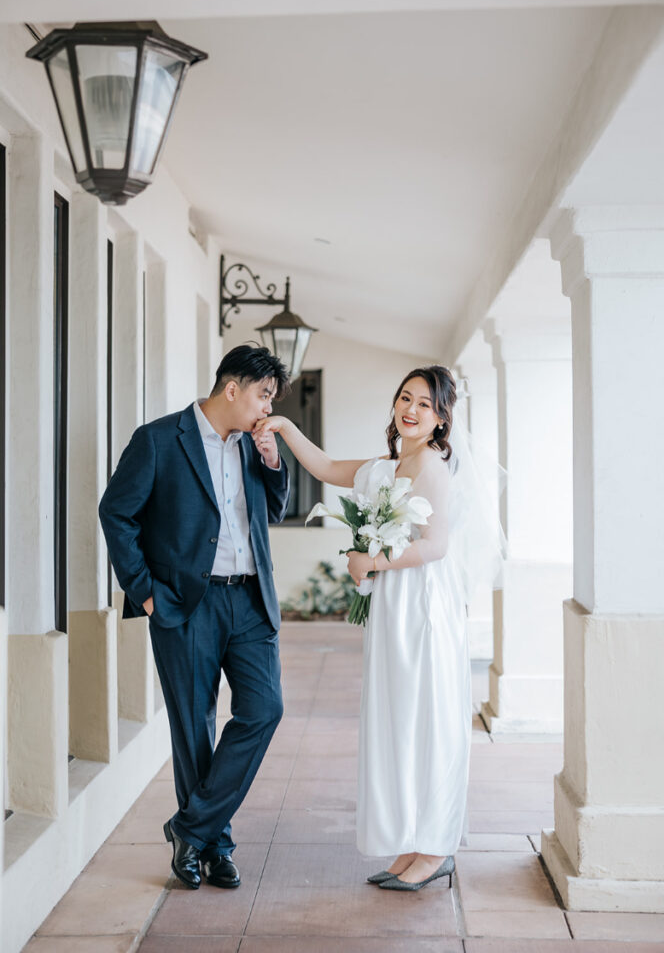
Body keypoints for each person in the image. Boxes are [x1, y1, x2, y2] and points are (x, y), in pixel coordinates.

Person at [253, 364, 470, 891]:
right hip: (393, 608)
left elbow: (435, 546)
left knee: (425, 718)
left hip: (422, 609)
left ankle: (435, 846)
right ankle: (412, 840)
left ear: (441, 419)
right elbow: (325, 466)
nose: (411, 410)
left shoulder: (434, 470)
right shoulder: (384, 467)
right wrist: (283, 428)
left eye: (424, 404)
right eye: (405, 398)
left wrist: (372, 561)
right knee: (398, 718)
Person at [99, 344, 290, 891]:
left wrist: (272, 460)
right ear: (233, 389)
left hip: (251, 600)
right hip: (186, 603)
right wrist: (146, 592)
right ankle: (215, 846)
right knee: (194, 727)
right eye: (262, 396)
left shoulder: (255, 445)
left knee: (264, 709)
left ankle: (191, 828)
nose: (265, 409)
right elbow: (117, 512)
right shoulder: (159, 439)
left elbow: (272, 511)